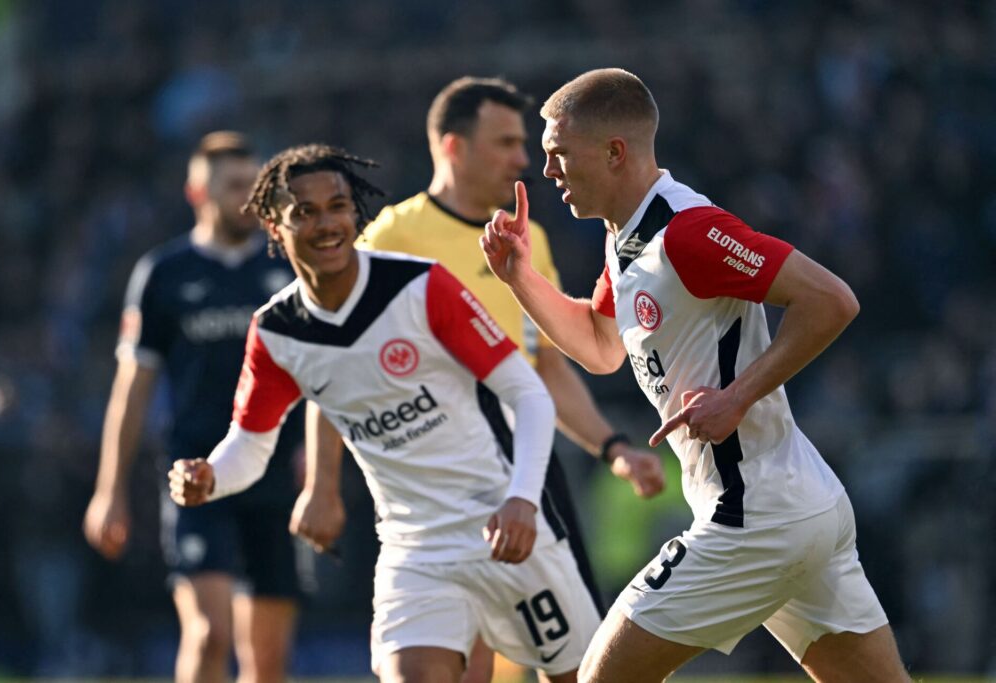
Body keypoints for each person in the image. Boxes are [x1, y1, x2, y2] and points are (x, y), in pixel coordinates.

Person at [481, 68, 910, 682]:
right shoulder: (626, 235)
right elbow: (602, 346)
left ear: (613, 152)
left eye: (558, 155)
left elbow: (832, 300)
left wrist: (736, 398)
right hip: (797, 504)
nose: (547, 172)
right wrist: (520, 275)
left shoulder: (688, 233)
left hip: (754, 516)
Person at [167, 143, 602, 683]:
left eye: (337, 206)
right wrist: (210, 476)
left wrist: (521, 498)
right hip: (415, 549)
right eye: (304, 212)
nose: (326, 223)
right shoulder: (277, 332)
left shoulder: (421, 286)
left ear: (356, 213)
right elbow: (250, 446)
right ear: (274, 228)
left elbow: (528, 393)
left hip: (504, 522)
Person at [294, 77, 665, 682]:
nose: (524, 159)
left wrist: (610, 445)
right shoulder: (391, 240)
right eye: (506, 142)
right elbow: (338, 364)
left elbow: (544, 364)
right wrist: (323, 484)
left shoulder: (528, 239)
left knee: (571, 667)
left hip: (529, 476)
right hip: (440, 484)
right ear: (453, 147)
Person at [83, 131, 303, 683]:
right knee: (209, 635)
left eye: (254, 186)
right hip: (195, 472)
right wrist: (109, 489)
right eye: (232, 186)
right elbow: (132, 385)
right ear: (196, 192)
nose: (246, 199)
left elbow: (320, 373)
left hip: (274, 473)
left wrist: (318, 461)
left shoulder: (288, 269)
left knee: (268, 659)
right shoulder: (164, 274)